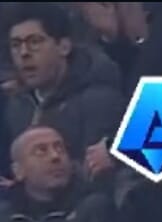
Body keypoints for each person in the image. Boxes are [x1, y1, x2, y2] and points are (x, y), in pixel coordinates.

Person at [0, 4, 122, 158]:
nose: (24, 53)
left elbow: (97, 168)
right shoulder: (15, 105)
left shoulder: (98, 102)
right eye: (16, 45)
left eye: (35, 42)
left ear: (64, 47)